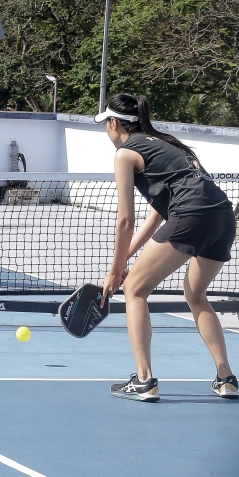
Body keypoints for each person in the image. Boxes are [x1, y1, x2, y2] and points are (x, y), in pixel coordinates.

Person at [97, 93, 237, 401]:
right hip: (223, 218)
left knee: (134, 289)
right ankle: (226, 378)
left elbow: (125, 220)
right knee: (196, 296)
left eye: (105, 124)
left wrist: (116, 272)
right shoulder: (167, 144)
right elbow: (156, 216)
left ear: (114, 123)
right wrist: (123, 261)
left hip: (191, 217)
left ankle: (144, 380)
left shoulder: (125, 153)